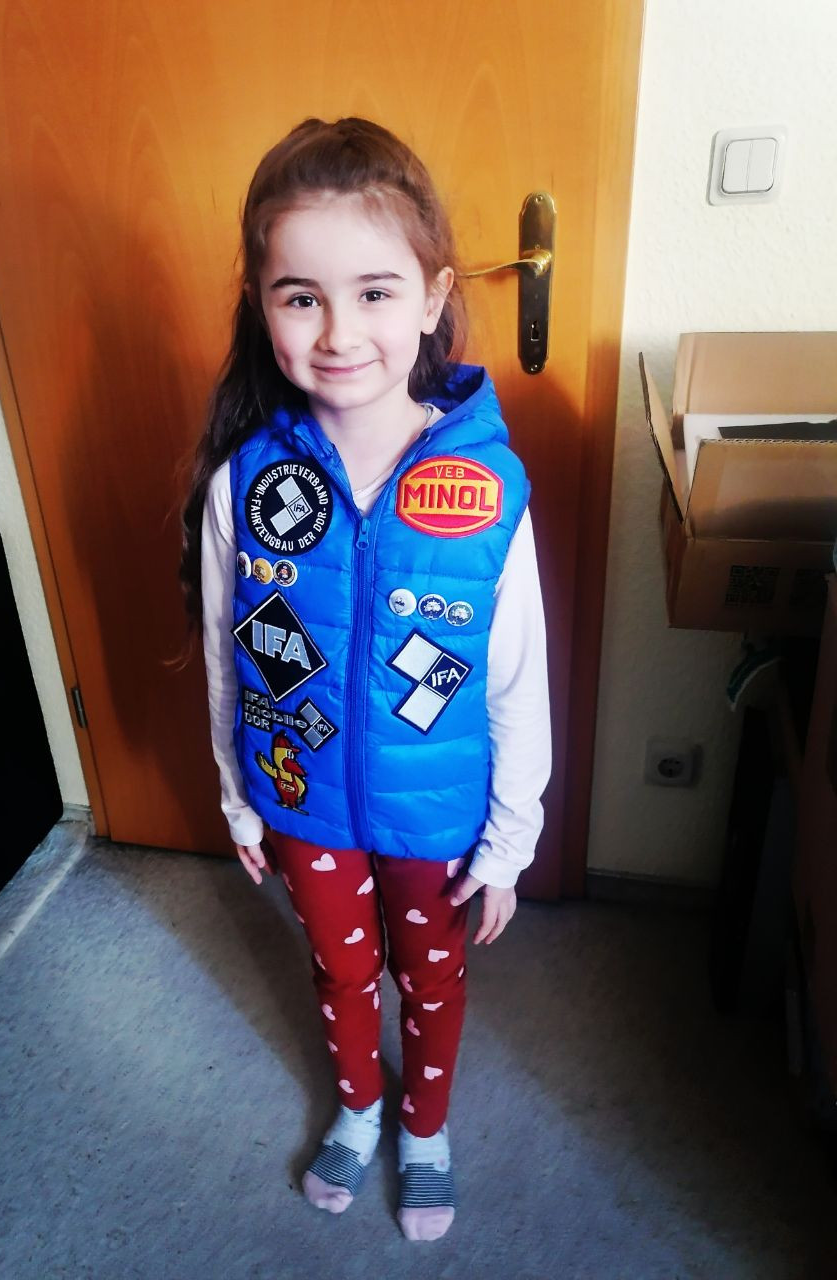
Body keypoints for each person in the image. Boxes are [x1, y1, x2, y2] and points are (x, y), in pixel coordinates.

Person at [179, 117, 551, 1242]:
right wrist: (238, 794)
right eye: (302, 296)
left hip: (436, 813)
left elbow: (516, 678)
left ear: (433, 299)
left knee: (431, 979)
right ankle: (359, 1103)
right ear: (262, 305)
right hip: (303, 801)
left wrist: (511, 837)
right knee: (341, 974)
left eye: (375, 292)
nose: (339, 332)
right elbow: (228, 654)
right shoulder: (247, 483)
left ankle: (425, 1127)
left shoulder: (485, 487)